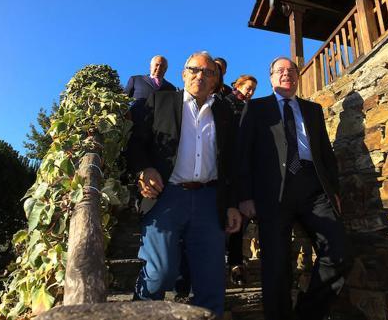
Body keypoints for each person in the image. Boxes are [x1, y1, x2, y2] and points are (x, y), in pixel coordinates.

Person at [127, 51, 242, 317]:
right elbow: (135, 143)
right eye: (194, 70)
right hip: (166, 197)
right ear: (183, 74)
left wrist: (233, 204)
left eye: (208, 72)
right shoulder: (160, 100)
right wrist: (143, 169)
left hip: (209, 199)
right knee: (161, 271)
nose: (200, 75)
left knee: (211, 279)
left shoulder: (225, 111)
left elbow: (232, 162)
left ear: (215, 80)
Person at [236, 57, 350, 320]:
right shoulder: (255, 108)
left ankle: (306, 314)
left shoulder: (313, 110)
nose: (286, 74)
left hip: (314, 189)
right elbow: (242, 154)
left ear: (297, 77)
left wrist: (333, 191)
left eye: (291, 71)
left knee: (339, 251)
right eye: (280, 70)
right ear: (271, 77)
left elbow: (325, 153)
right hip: (273, 192)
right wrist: (244, 196)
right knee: (276, 266)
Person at [224, 74, 257, 285]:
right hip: (226, 169)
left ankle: (235, 262)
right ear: (238, 85)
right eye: (248, 87)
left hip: (245, 170)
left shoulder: (252, 109)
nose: (250, 92)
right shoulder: (226, 103)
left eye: (253, 89)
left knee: (240, 221)